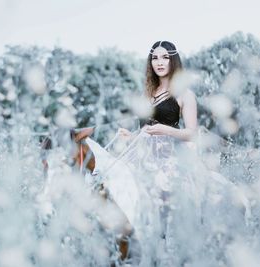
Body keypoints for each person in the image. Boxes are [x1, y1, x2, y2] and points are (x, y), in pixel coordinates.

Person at [86, 41, 250, 266]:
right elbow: (147, 130)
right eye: (155, 58)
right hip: (141, 155)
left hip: (169, 157)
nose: (159, 62)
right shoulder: (148, 93)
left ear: (173, 60)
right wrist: (131, 136)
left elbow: (192, 133)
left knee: (165, 193)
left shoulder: (184, 94)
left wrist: (165, 130)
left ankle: (168, 247)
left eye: (164, 57)